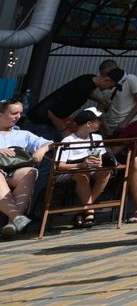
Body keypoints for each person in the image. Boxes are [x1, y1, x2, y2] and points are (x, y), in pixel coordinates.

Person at [0, 98, 51, 238]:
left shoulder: (23, 134)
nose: (18, 116)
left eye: (20, 113)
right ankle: (17, 218)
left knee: (31, 172)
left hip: (14, 171)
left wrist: (42, 150)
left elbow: (50, 143)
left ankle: (12, 223)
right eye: (14, 113)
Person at [55, 107, 113, 228]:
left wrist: (98, 161)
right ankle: (90, 211)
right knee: (82, 174)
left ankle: (84, 209)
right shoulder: (68, 140)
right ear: (89, 123)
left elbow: (98, 156)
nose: (100, 123)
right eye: (98, 121)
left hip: (90, 169)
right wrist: (81, 165)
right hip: (72, 170)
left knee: (106, 171)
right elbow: (59, 165)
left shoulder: (96, 138)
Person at [25, 70, 120, 138]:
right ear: (107, 80)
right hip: (40, 123)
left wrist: (100, 100)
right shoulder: (81, 90)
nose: (110, 89)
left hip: (44, 120)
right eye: (111, 86)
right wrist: (65, 133)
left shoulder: (89, 78)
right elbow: (52, 112)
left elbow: (88, 93)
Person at [93, 60, 137, 138]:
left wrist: (126, 122)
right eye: (102, 75)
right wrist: (103, 123)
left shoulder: (131, 79)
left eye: (106, 74)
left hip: (129, 124)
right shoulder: (103, 83)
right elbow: (100, 106)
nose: (105, 77)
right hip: (109, 126)